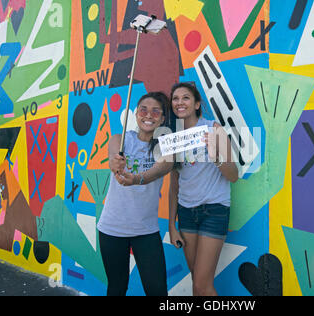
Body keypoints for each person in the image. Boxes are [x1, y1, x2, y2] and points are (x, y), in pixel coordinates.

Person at [97, 92, 174, 296]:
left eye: (155, 111)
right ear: (136, 114)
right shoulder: (120, 139)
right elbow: (114, 156)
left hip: (146, 230)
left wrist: (138, 179)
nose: (149, 115)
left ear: (163, 119)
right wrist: (115, 164)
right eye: (143, 109)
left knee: (157, 290)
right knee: (117, 286)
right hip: (112, 229)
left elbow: (164, 167)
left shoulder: (165, 146)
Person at [168, 82, 239, 296]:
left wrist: (216, 156)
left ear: (197, 103)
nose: (180, 102)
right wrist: (172, 225)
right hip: (187, 214)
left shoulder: (213, 129)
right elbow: (174, 186)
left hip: (214, 211)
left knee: (202, 285)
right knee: (196, 281)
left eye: (186, 98)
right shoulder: (174, 137)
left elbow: (233, 175)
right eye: (175, 98)